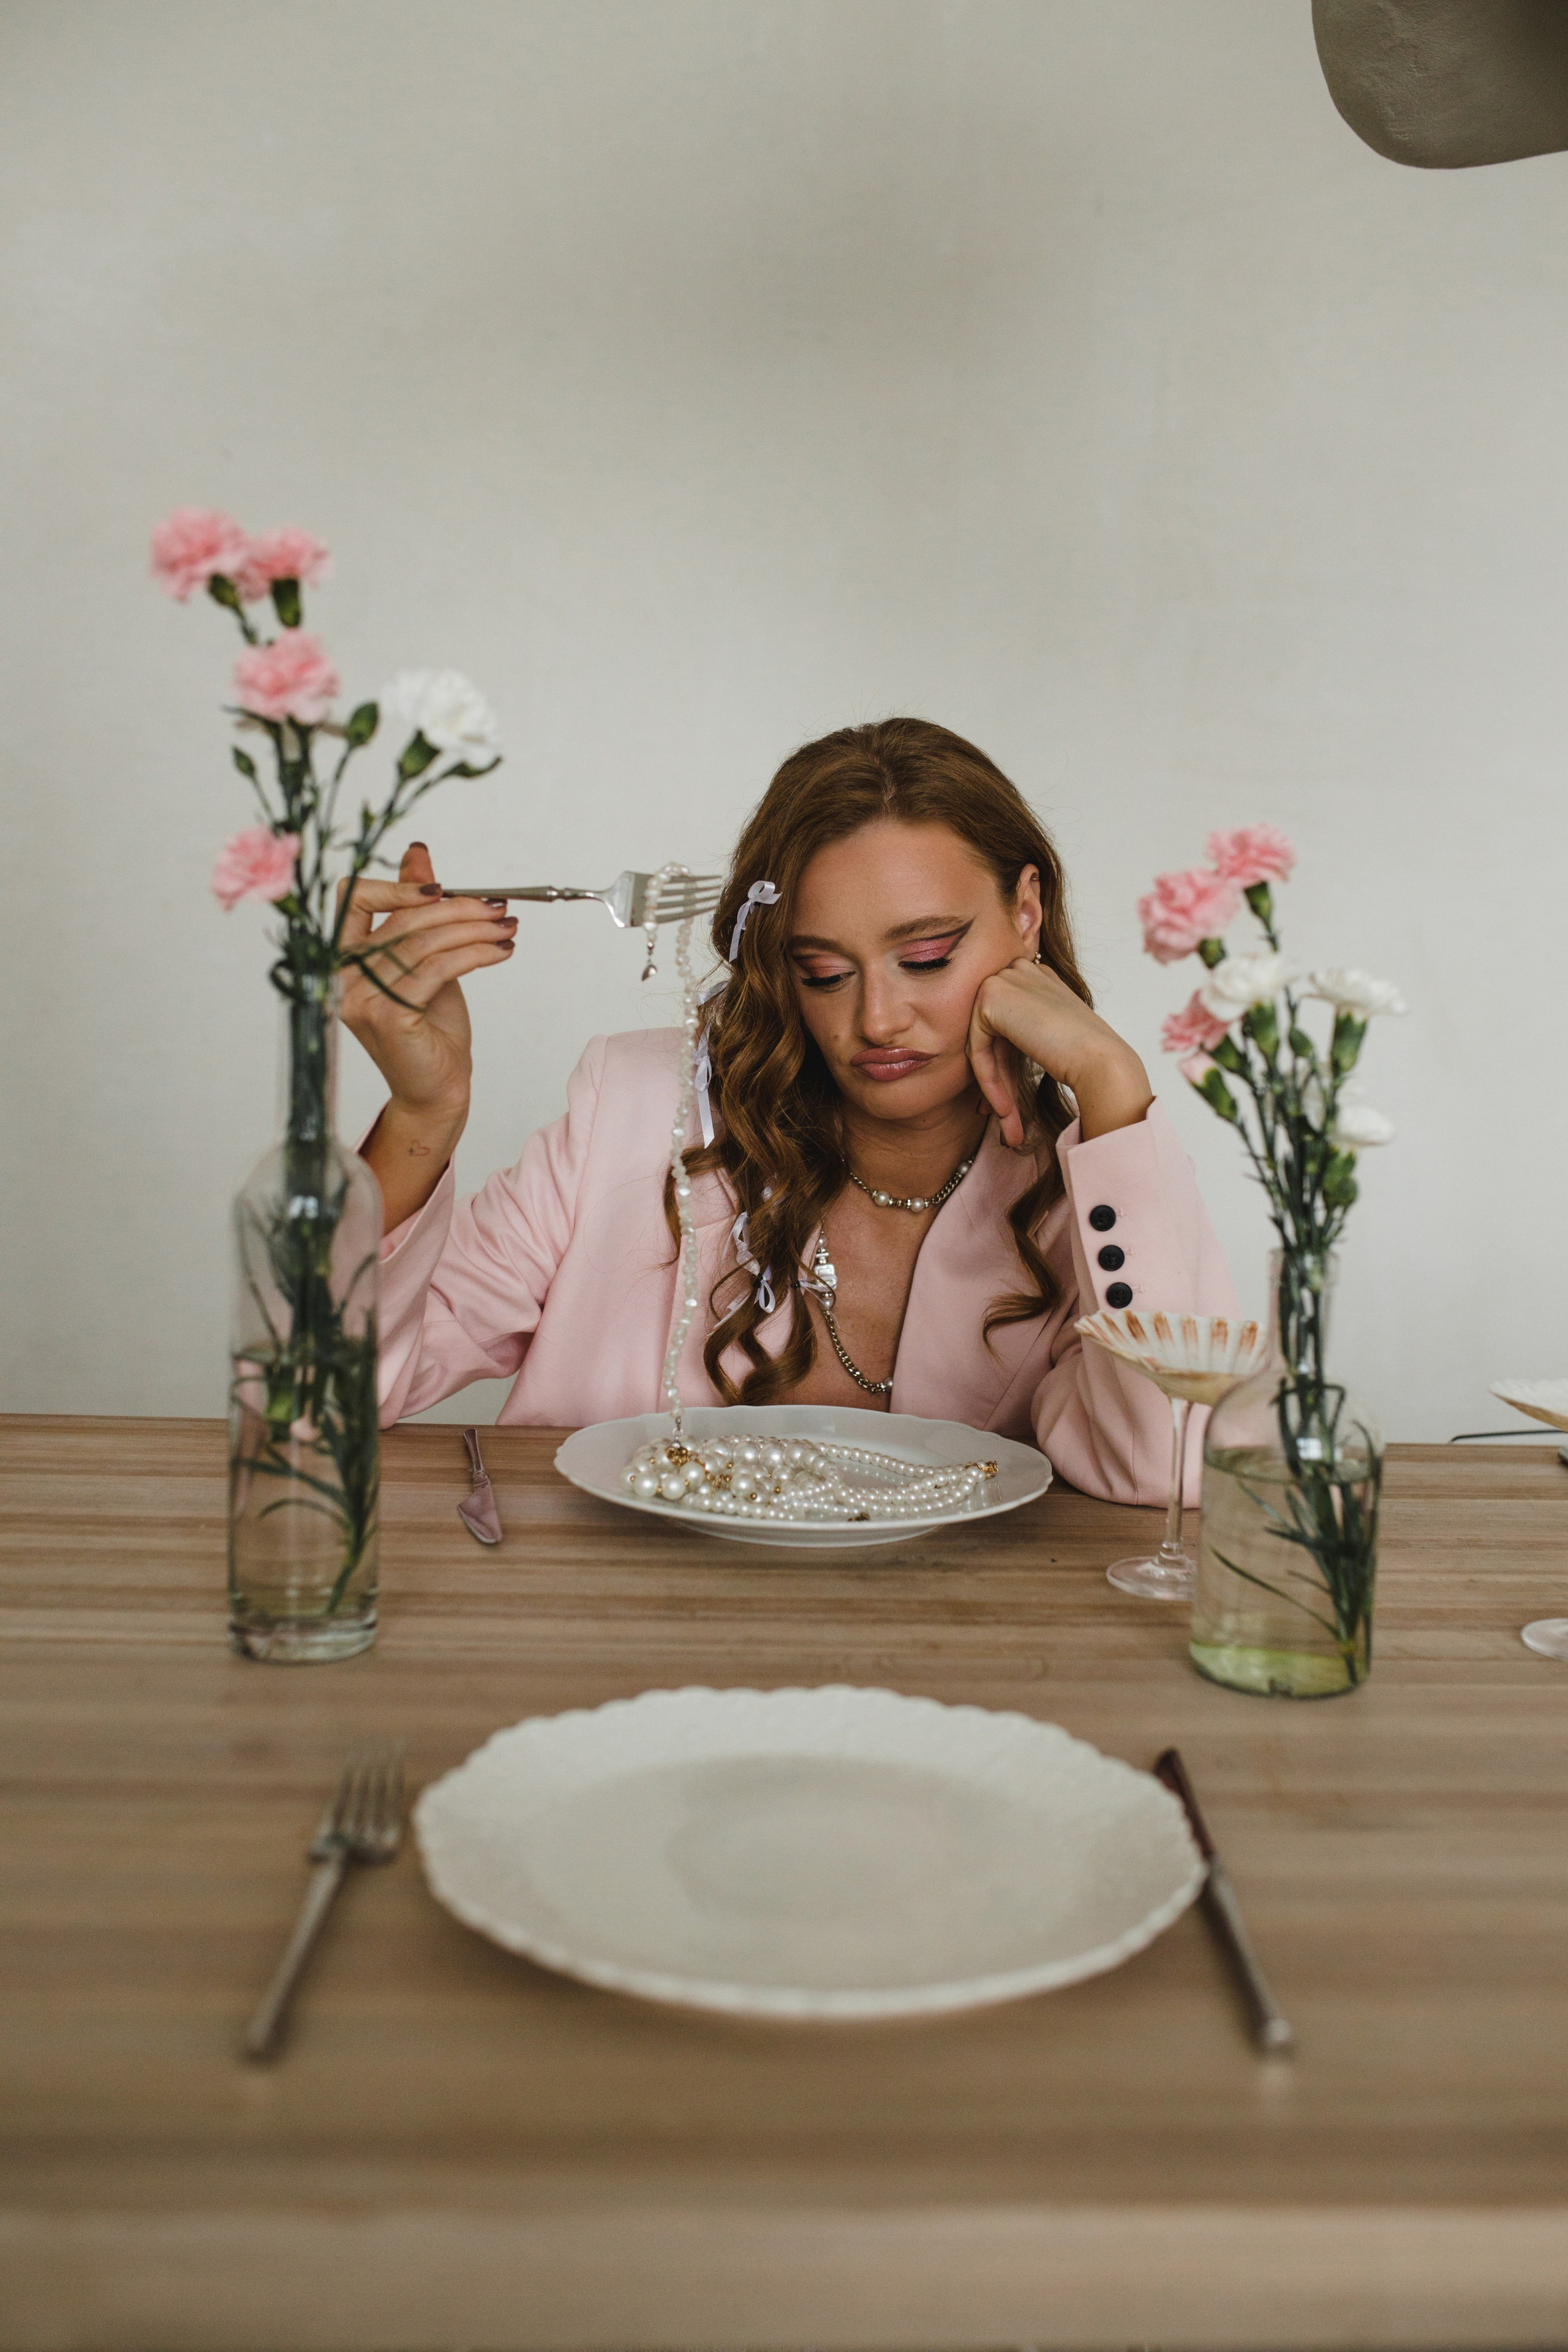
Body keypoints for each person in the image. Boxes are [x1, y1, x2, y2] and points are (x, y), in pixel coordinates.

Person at [344, 718, 1234, 1503]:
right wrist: (427, 1109)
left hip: (942, 1658)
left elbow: (1169, 1469)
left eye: (926, 957)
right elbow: (323, 1394)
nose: (878, 1019)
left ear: (1027, 910)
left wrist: (1113, 1088)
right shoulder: (635, 1106)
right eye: (825, 972)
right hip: (611, 1638)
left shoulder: (1094, 1194)